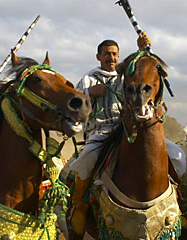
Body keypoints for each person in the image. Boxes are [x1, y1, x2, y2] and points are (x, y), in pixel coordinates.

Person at [67, 33, 186, 235]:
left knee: (176, 155)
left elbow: (141, 74)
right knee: (85, 160)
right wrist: (88, 93)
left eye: (114, 54)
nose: (111, 58)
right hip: (101, 132)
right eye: (107, 54)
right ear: (98, 56)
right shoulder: (88, 78)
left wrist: (142, 50)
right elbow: (74, 103)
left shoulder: (124, 75)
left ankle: (182, 202)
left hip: (129, 130)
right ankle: (79, 206)